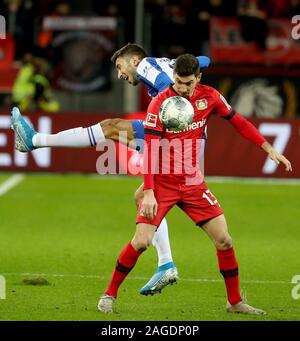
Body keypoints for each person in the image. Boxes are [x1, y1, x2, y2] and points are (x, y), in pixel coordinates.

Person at [97, 53, 292, 314]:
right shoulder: (160, 102)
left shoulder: (209, 96)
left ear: (198, 78)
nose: (182, 88)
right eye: (178, 82)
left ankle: (234, 302)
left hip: (192, 182)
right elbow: (152, 150)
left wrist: (267, 147)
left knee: (224, 239)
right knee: (141, 242)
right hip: (163, 183)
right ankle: (108, 295)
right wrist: (150, 193)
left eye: (188, 83)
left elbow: (239, 122)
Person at [10, 43, 211, 296]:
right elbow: (205, 60)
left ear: (135, 60)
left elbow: (165, 89)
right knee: (142, 197)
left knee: (109, 128)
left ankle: (35, 140)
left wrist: (171, 109)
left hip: (180, 140)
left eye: (120, 67)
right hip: (192, 145)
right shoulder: (171, 64)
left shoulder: (147, 65)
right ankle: (165, 264)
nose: (120, 75)